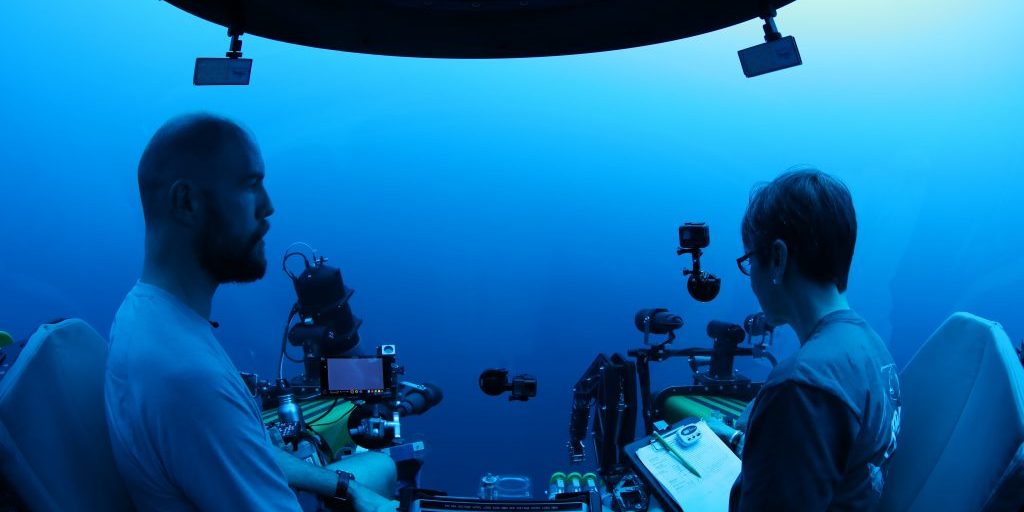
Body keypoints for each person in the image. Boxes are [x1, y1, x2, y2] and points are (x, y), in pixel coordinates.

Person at [104, 113, 397, 512]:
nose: (269, 206)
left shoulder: (147, 314)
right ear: (186, 202)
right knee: (387, 470)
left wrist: (345, 488)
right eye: (250, 185)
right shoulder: (190, 378)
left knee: (377, 469)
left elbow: (244, 444)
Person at [729, 169, 902, 511]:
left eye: (750, 261)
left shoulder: (800, 386)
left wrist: (781, 414)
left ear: (777, 259)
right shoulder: (872, 348)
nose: (751, 281)